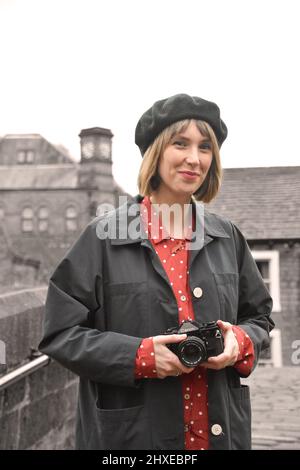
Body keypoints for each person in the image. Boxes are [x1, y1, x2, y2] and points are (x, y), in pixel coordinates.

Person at [39, 93, 274, 450]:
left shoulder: (228, 236)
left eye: (205, 147)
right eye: (180, 143)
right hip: (131, 440)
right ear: (156, 152)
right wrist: (139, 357)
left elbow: (259, 318)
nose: (194, 159)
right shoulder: (102, 237)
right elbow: (60, 333)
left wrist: (240, 343)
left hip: (219, 436)